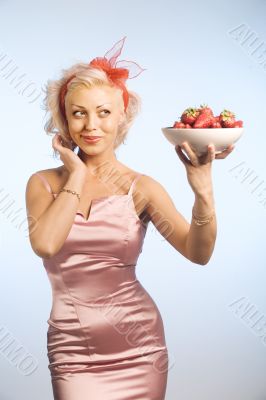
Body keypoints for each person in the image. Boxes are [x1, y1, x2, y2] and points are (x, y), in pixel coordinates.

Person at [25, 37, 234, 400]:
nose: (92, 125)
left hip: (141, 349)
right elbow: (45, 244)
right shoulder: (43, 183)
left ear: (122, 116)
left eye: (104, 112)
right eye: (79, 113)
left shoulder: (142, 188)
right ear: (65, 119)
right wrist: (75, 174)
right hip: (72, 351)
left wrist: (203, 190)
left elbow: (198, 253)